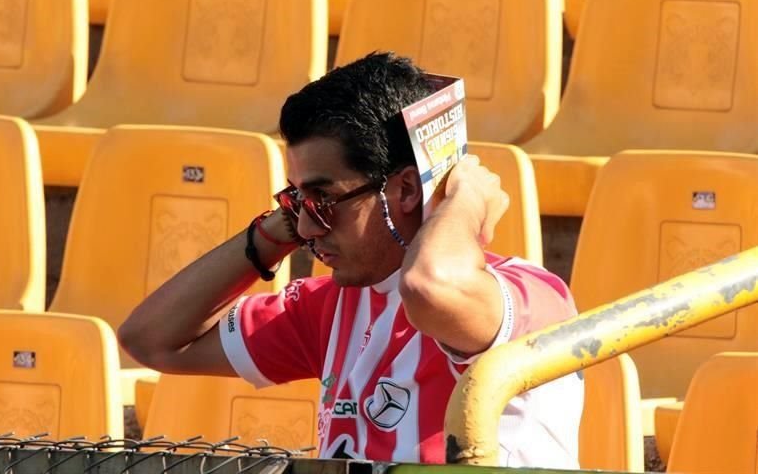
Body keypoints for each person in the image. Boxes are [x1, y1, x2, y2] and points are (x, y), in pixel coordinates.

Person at [118, 52, 583, 467]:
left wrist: (462, 197)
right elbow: (152, 340)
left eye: (324, 199)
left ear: (403, 189)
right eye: (297, 202)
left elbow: (429, 289)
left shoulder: (531, 295)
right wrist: (277, 227)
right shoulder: (333, 303)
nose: (305, 230)